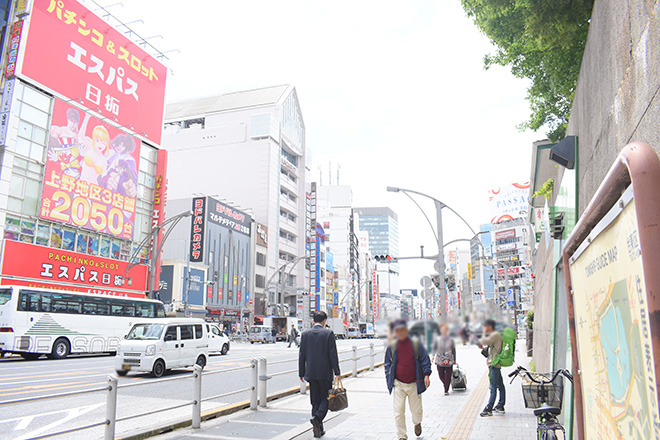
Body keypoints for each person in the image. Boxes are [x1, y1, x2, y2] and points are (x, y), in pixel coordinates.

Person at [384, 319, 432, 440]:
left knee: (416, 410)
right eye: (397, 331)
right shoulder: (393, 345)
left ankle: (417, 423)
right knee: (398, 411)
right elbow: (387, 363)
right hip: (398, 383)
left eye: (401, 330)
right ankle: (402, 435)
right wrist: (389, 377)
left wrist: (426, 374)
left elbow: (425, 359)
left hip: (414, 383)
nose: (399, 333)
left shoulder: (416, 344)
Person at [299, 311, 341, 438]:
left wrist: (301, 372)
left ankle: (318, 429)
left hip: (311, 372)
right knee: (325, 399)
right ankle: (317, 418)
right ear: (324, 321)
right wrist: (337, 372)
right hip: (325, 372)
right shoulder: (328, 333)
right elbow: (333, 354)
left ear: (313, 321)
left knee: (315, 401)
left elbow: (302, 355)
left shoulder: (305, 334)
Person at [478, 319, 505, 416]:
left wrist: (484, 331)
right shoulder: (497, 335)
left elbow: (482, 341)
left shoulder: (494, 335)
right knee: (500, 385)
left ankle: (489, 408)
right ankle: (501, 405)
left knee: (493, 387)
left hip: (493, 363)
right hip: (496, 363)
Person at [432, 323, 456, 395]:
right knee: (441, 375)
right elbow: (434, 348)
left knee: (448, 375)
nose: (443, 331)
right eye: (442, 329)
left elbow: (453, 349)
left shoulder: (451, 339)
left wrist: (455, 359)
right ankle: (446, 384)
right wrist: (433, 356)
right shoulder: (438, 339)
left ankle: (446, 389)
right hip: (439, 359)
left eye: (445, 330)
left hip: (449, 360)